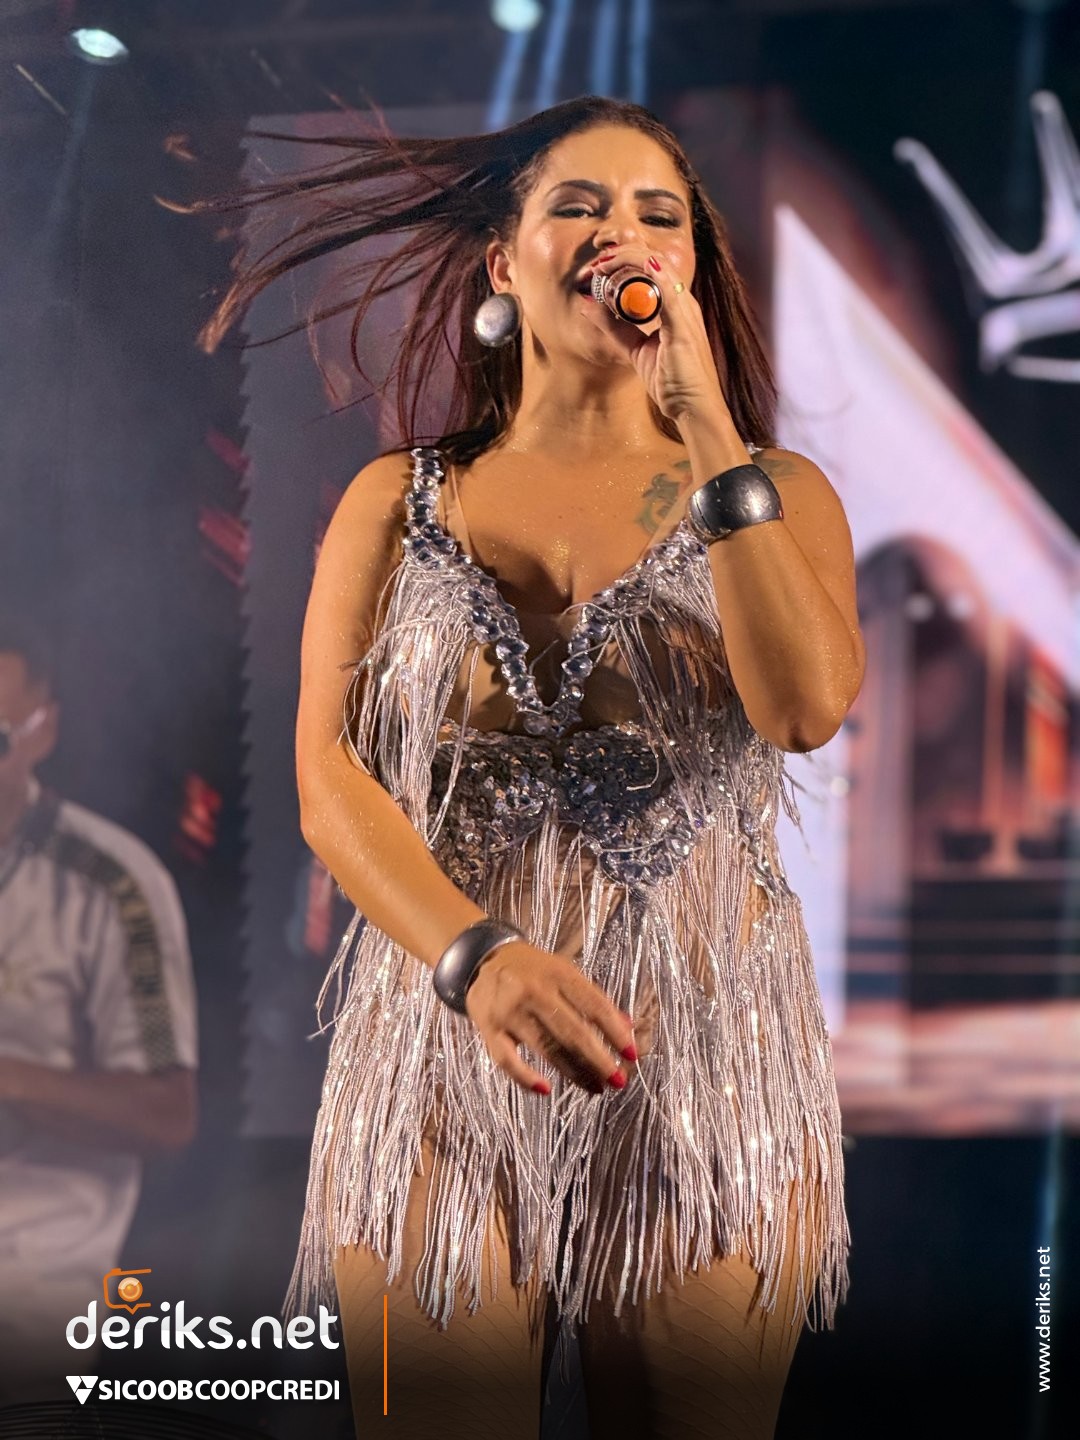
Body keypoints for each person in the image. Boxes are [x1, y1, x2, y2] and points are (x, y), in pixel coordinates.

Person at [194, 94, 864, 1439]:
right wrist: (477, 959)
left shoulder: (775, 491)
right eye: (580, 205)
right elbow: (327, 778)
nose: (622, 235)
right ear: (505, 260)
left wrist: (708, 428)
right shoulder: (395, 501)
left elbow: (803, 711)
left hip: (702, 1055)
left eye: (657, 215)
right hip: (439, 1041)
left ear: (688, 268)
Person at [0, 617, 198, 1405]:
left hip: (34, 1281)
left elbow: (168, 1115)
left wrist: (9, 1080)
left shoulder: (111, 884)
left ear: (43, 732)